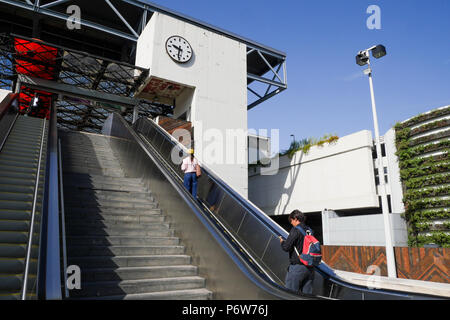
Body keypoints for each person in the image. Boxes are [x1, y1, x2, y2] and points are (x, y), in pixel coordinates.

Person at [279, 209, 315, 295]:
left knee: (291, 295)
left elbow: (286, 247)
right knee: (307, 296)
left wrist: (282, 242)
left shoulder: (295, 230)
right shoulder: (310, 231)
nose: (291, 223)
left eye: (291, 221)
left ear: (295, 219)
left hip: (297, 268)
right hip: (310, 268)